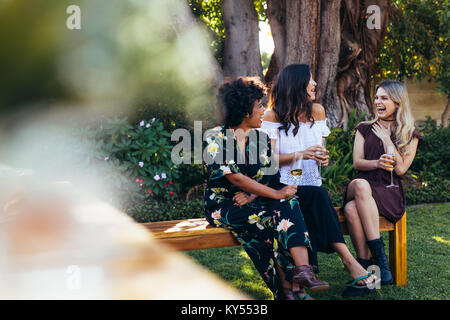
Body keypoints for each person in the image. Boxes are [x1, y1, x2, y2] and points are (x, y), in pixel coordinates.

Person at [204, 77, 329, 300]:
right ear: (244, 111)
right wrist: (275, 194)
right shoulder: (216, 137)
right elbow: (237, 179)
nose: (264, 110)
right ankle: (285, 289)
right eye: (259, 105)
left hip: (253, 199)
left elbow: (268, 174)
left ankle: (303, 271)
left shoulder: (259, 138)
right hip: (224, 205)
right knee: (267, 223)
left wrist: (254, 196)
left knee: (288, 203)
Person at [261, 64, 378, 295]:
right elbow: (268, 162)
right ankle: (349, 262)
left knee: (315, 196)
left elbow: (321, 151)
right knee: (316, 197)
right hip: (279, 186)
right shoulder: (271, 116)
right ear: (296, 85)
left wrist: (323, 157)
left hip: (310, 184)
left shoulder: (318, 111)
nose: (315, 84)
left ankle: (311, 271)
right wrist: (301, 154)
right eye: (310, 80)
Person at [342, 80, 422, 285]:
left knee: (351, 209)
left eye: (384, 98)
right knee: (360, 185)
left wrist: (387, 140)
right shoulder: (364, 128)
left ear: (397, 102)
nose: (378, 101)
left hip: (388, 190)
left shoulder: (410, 134)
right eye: (377, 97)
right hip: (363, 182)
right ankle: (381, 261)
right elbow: (357, 162)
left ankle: (366, 269)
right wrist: (377, 163)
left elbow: (401, 169)